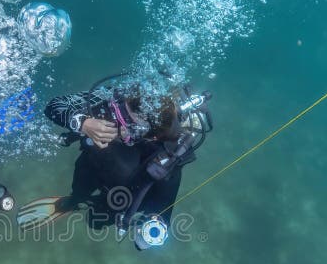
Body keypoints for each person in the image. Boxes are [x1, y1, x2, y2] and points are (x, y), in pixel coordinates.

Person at [16, 81, 213, 249]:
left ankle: (85, 204)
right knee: (80, 186)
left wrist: (149, 230)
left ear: (151, 136)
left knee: (95, 221)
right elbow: (54, 106)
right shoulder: (111, 98)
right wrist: (82, 123)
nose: (119, 125)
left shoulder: (166, 156)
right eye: (119, 113)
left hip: (123, 194)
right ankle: (74, 201)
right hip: (92, 164)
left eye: (131, 125)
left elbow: (162, 210)